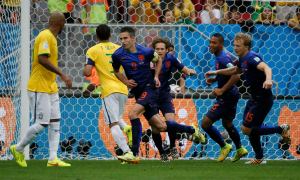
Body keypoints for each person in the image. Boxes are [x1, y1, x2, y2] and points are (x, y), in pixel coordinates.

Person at [112, 27, 202, 163]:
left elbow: (159, 61)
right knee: (161, 127)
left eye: (126, 38)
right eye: (121, 39)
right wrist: (125, 81)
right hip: (138, 92)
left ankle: (133, 154)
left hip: (149, 89)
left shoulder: (146, 52)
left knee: (132, 114)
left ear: (133, 38)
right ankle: (191, 129)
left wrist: (156, 77)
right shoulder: (117, 54)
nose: (123, 41)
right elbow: (116, 70)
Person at [205, 32, 291, 165]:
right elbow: (235, 71)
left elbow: (266, 67)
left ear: (247, 47)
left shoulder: (251, 57)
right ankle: (259, 158)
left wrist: (268, 79)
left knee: (247, 129)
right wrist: (216, 73)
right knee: (250, 129)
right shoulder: (241, 59)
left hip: (263, 99)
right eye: (234, 45)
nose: (235, 48)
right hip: (254, 98)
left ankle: (280, 129)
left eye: (238, 46)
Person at [10, 12, 72, 167]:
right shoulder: (45, 36)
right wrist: (63, 74)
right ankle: (18, 148)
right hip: (39, 86)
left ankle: (53, 158)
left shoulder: (52, 37)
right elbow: (42, 59)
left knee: (55, 121)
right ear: (61, 24)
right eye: (64, 23)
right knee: (42, 123)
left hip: (50, 86)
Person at [83, 24, 133, 163]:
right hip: (123, 88)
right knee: (117, 118)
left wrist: (86, 70)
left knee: (113, 123)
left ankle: (127, 152)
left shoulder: (93, 50)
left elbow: (87, 72)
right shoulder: (119, 48)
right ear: (110, 35)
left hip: (109, 90)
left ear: (97, 36)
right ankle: (127, 129)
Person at [151, 38, 205, 161]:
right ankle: (162, 153)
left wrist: (189, 71)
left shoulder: (170, 59)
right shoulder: (149, 60)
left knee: (171, 122)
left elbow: (183, 69)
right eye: (157, 49)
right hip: (151, 97)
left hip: (164, 95)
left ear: (166, 50)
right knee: (155, 128)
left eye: (162, 49)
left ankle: (172, 147)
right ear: (153, 50)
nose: (159, 51)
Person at [202, 33, 247, 162]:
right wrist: (216, 79)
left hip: (227, 96)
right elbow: (228, 73)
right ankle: (239, 149)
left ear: (221, 44)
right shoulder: (220, 56)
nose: (211, 45)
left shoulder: (223, 58)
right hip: (232, 95)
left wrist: (221, 89)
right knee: (227, 123)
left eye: (214, 43)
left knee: (205, 123)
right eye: (210, 42)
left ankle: (224, 146)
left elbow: (236, 75)